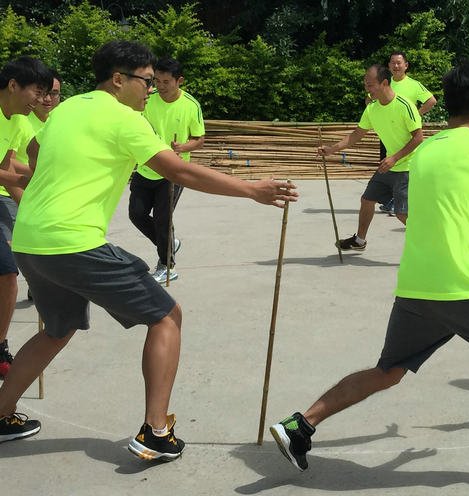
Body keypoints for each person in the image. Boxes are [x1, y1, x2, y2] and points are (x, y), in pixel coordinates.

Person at [270, 62, 469, 494]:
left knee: (388, 370)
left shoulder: (427, 151)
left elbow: (468, 205)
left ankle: (300, 424)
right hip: (462, 287)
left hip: (417, 285)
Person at [0, 41, 298, 459]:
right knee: (166, 317)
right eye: (145, 81)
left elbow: (35, 151)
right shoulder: (125, 119)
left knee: (55, 330)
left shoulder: (66, 109)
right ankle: (156, 432)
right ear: (119, 79)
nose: (150, 91)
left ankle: (1, 412)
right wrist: (253, 190)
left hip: (31, 239)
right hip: (74, 242)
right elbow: (176, 170)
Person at [319, 64, 422, 251]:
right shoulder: (372, 109)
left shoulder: (405, 105)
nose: (367, 89)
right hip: (389, 166)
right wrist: (332, 149)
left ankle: (433, 241)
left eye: (370, 85)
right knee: (367, 200)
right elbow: (356, 134)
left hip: (408, 166)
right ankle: (359, 241)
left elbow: (419, 137)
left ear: (384, 83)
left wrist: (394, 158)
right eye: (366, 85)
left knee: (401, 213)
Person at [129, 57, 205, 284]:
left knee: (163, 218)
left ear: (179, 81)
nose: (160, 86)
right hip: (146, 166)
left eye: (166, 82)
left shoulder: (191, 105)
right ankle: (171, 243)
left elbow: (199, 139)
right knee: (136, 214)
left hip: (173, 170)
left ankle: (167, 265)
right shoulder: (148, 100)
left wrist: (183, 147)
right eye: (157, 81)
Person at [0, 57, 50, 381]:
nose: (38, 99)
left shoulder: (19, 122)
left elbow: (9, 167)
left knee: (7, 275)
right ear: (14, 85)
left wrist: (34, 199)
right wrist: (23, 181)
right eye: (35, 90)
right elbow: (12, 176)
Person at [378, 51, 437, 215]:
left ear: (406, 65)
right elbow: (371, 98)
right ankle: (391, 199)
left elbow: (431, 100)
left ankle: (403, 203)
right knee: (386, 165)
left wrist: (417, 113)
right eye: (393, 63)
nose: (396, 66)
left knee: (404, 168)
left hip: (408, 134)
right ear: (388, 66)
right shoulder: (385, 83)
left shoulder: (414, 84)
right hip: (388, 132)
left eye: (399, 63)